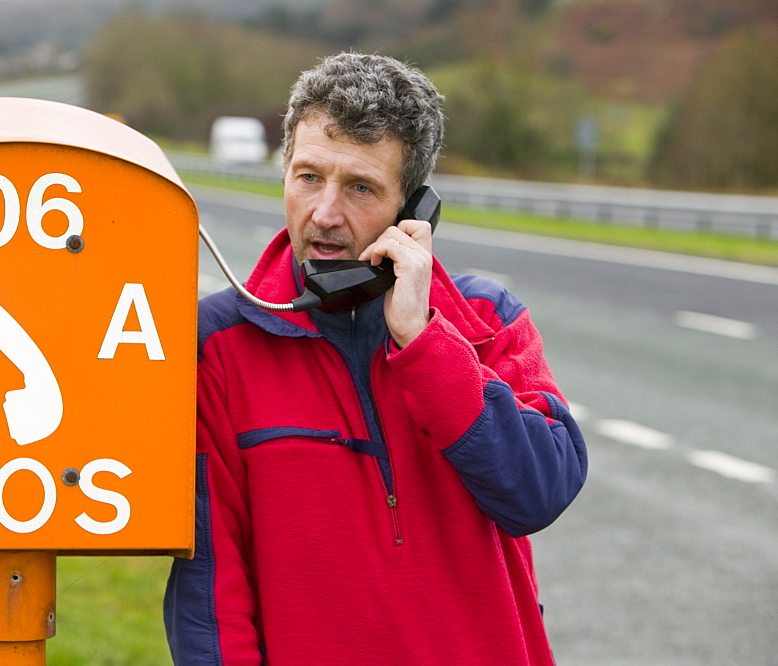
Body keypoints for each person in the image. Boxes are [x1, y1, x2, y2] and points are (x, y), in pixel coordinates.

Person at [164, 52, 587, 665]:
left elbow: (538, 493)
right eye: (308, 177)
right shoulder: (221, 344)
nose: (325, 214)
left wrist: (425, 345)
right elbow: (211, 590)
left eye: (360, 187)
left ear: (413, 209)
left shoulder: (487, 320)